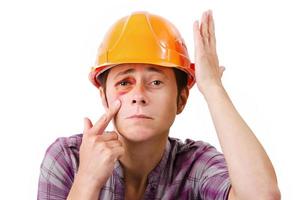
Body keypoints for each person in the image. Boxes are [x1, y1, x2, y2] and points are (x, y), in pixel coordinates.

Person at [37, 10, 280, 200]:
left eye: (155, 82)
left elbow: (261, 196)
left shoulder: (195, 165)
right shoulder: (68, 158)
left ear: (181, 99)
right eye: (124, 82)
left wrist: (213, 87)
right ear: (104, 98)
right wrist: (87, 180)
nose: (138, 95)